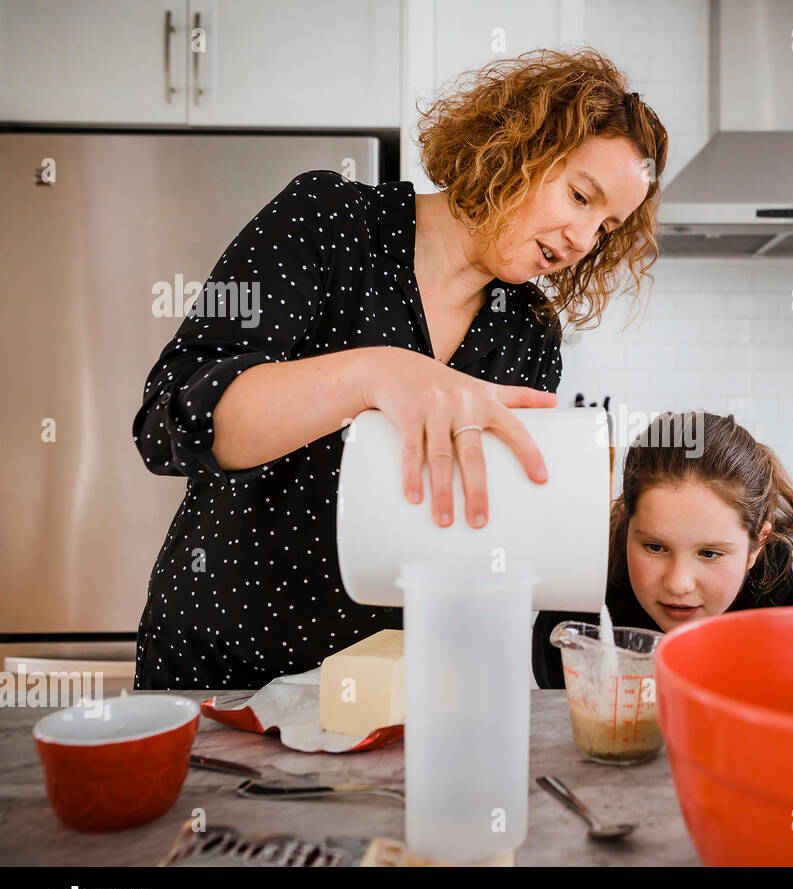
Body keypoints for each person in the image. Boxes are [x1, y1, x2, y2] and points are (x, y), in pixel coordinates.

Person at [131, 48, 668, 689]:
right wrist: (375, 374)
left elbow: (479, 535)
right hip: (223, 668)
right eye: (581, 195)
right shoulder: (330, 222)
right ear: (515, 148)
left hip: (392, 694)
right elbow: (171, 425)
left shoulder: (527, 336)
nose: (584, 239)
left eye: (607, 227)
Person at [532, 412, 793, 689]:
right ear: (625, 521)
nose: (678, 584)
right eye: (655, 546)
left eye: (709, 554)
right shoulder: (577, 606)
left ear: (756, 544)